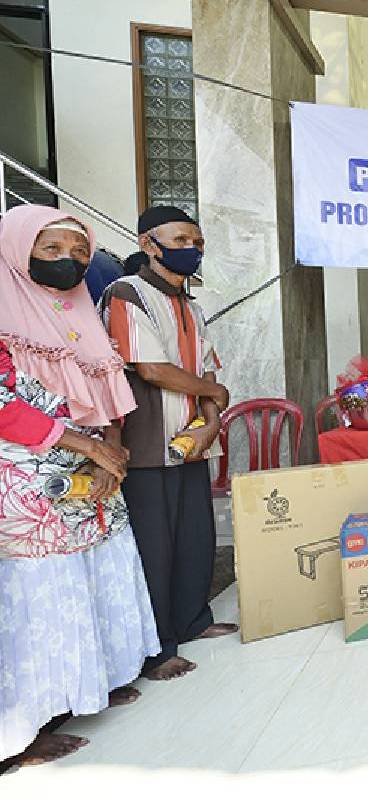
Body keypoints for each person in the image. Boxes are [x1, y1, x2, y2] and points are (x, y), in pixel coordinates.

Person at [0, 205, 160, 766]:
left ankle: (93, 683)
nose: (67, 262)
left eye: (77, 252)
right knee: (43, 590)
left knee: (98, 570)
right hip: (27, 478)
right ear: (18, 251)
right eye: (51, 250)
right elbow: (3, 405)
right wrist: (88, 446)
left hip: (92, 472)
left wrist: (108, 449)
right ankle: (26, 727)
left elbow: (107, 384)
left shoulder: (79, 312)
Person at [101, 205, 236, 681]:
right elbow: (150, 368)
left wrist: (211, 423)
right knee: (153, 550)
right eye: (180, 240)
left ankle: (192, 621)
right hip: (147, 444)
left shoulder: (192, 306)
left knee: (195, 540)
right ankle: (156, 649)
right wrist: (211, 395)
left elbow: (210, 375)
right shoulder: (127, 294)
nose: (191, 250)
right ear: (147, 244)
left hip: (192, 441)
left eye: (197, 242)